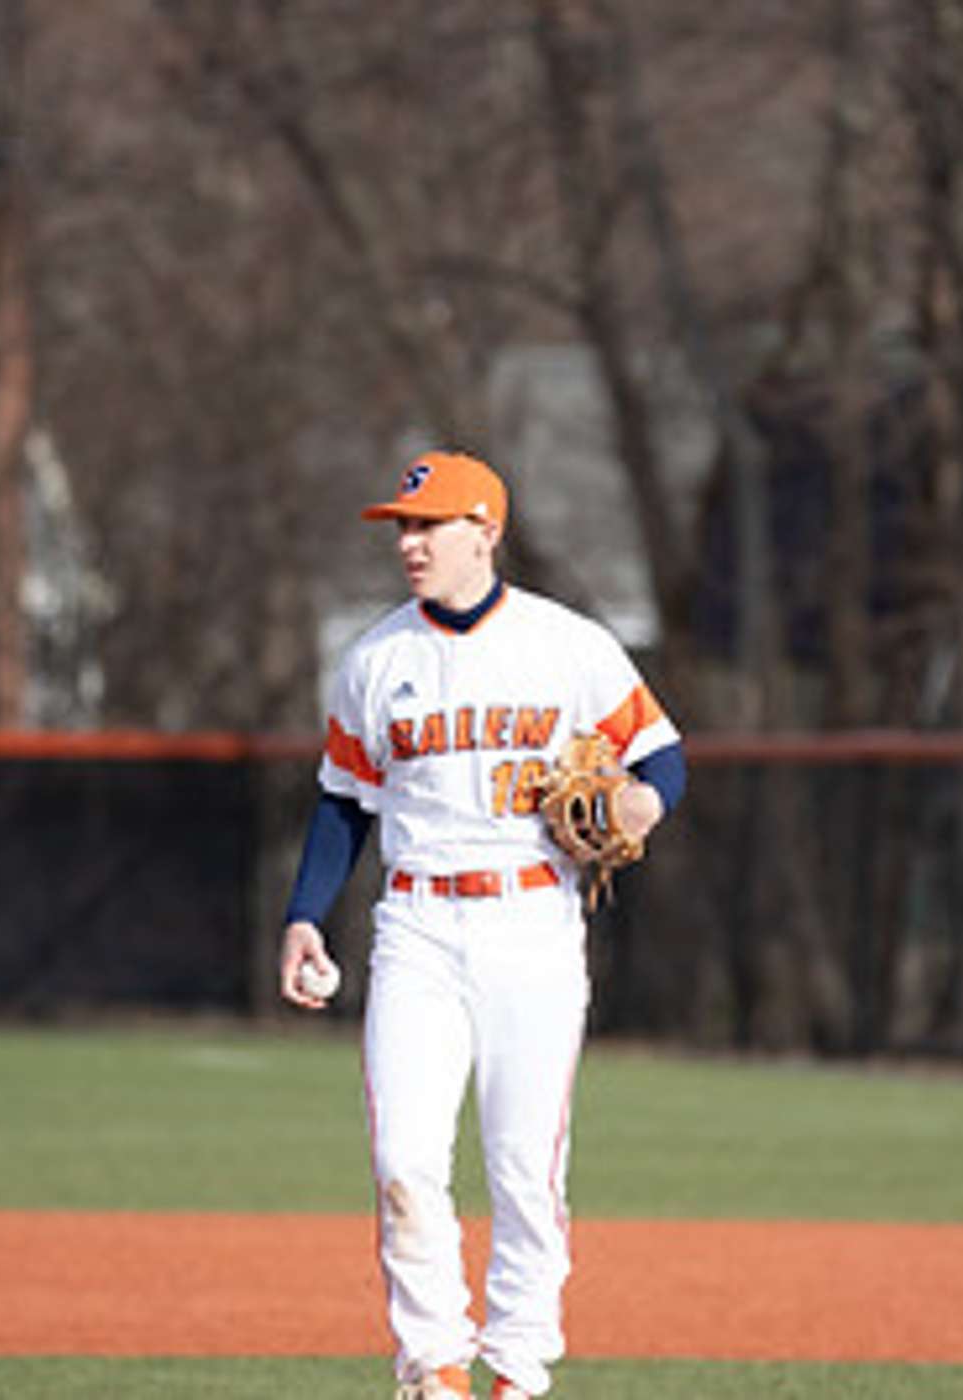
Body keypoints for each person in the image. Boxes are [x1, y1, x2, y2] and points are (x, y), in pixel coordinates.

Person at [279, 451, 685, 1399]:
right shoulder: (376, 659)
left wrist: (640, 808)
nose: (410, 544)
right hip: (417, 925)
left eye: (429, 525)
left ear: (485, 533)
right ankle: (434, 1368)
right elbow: (343, 803)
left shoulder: (568, 644)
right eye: (402, 528)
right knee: (404, 1164)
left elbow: (662, 755)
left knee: (524, 1169)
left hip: (533, 923)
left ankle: (517, 1370)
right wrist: (305, 917)